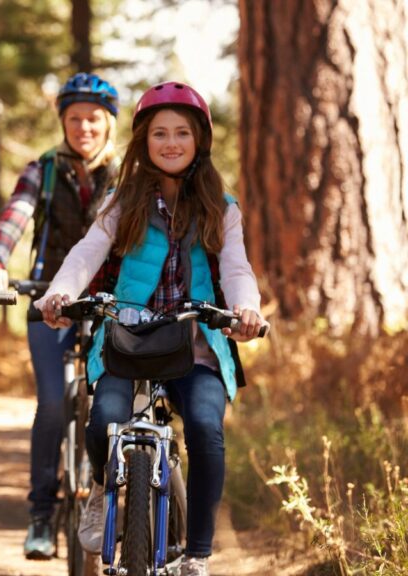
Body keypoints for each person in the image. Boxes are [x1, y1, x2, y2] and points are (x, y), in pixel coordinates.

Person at [35, 81, 268, 576]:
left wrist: (246, 308)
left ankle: (199, 555)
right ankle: (101, 488)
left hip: (195, 342)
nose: (171, 142)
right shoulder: (123, 200)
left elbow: (237, 268)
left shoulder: (221, 207)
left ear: (199, 140)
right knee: (103, 423)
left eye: (182, 133)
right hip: (126, 338)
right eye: (159, 133)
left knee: (206, 430)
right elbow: (86, 253)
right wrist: (60, 292)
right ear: (143, 140)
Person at [0, 72, 120, 559]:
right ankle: (41, 513)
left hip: (110, 301)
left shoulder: (127, 173)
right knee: (53, 405)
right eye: (75, 118)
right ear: (63, 121)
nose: (84, 127)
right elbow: (15, 216)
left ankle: (119, 497)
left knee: (113, 403)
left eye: (93, 119)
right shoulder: (42, 168)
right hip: (46, 298)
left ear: (110, 123)